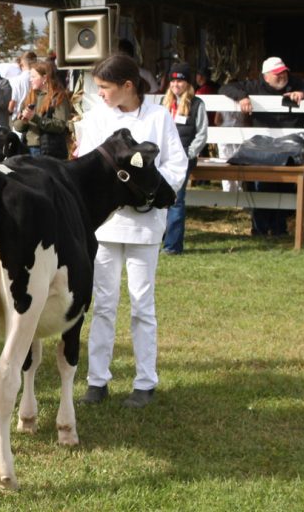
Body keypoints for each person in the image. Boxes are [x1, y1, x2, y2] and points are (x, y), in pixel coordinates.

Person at [77, 54, 188, 409]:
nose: (102, 94)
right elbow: (84, 162)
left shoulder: (158, 117)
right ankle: (97, 381)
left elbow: (176, 162)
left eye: (106, 87)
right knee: (103, 304)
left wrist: (155, 194)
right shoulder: (95, 118)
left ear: (128, 85)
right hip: (106, 224)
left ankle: (145, 382)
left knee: (142, 304)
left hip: (145, 223)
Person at [220, 56, 304, 236]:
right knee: (261, 187)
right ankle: (259, 229)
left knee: (286, 188)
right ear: (266, 76)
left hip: (290, 148)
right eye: (277, 74)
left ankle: (279, 229)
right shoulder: (255, 86)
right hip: (263, 149)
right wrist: (242, 97)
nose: (282, 76)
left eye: (283, 72)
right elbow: (226, 87)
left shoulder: (296, 82)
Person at [161, 63, 208, 255]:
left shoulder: (197, 104)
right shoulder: (164, 104)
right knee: (160, 199)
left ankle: (172, 246)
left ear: (188, 83)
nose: (175, 84)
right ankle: (158, 240)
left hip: (183, 158)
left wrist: (188, 154)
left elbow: (202, 133)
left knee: (176, 200)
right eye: (173, 81)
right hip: (163, 158)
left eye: (180, 80)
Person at [12, 61, 73, 158]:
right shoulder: (30, 97)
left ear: (45, 78)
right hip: (28, 149)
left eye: (33, 77)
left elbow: (60, 125)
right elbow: (17, 127)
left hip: (50, 151)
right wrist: (23, 120)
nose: (30, 80)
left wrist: (35, 118)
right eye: (30, 77)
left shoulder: (58, 97)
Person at [8, 51, 38, 116]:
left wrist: (9, 112)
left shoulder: (15, 80)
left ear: (21, 64)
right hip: (36, 116)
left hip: (19, 116)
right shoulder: (40, 78)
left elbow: (13, 102)